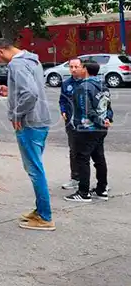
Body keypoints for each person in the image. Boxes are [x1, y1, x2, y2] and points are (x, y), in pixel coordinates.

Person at [0, 39, 54, 231]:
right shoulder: (32, 60)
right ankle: (40, 209)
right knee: (36, 167)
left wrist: (17, 112)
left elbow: (31, 93)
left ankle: (45, 216)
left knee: (35, 169)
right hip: (41, 119)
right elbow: (31, 89)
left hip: (29, 123)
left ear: (1, 51)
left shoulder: (16, 65)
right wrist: (10, 92)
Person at [65, 60, 112, 203]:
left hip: (86, 129)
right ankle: (101, 189)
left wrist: (98, 121)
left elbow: (86, 109)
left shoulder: (83, 87)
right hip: (101, 129)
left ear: (85, 69)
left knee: (83, 159)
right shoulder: (103, 86)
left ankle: (83, 192)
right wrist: (107, 120)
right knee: (99, 159)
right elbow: (108, 107)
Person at [59, 58, 85, 190]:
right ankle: (75, 178)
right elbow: (62, 100)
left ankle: (101, 182)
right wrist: (63, 111)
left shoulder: (88, 82)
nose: (73, 69)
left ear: (82, 67)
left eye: (76, 67)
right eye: (71, 67)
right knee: (74, 150)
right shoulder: (66, 83)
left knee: (93, 152)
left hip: (88, 123)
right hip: (71, 123)